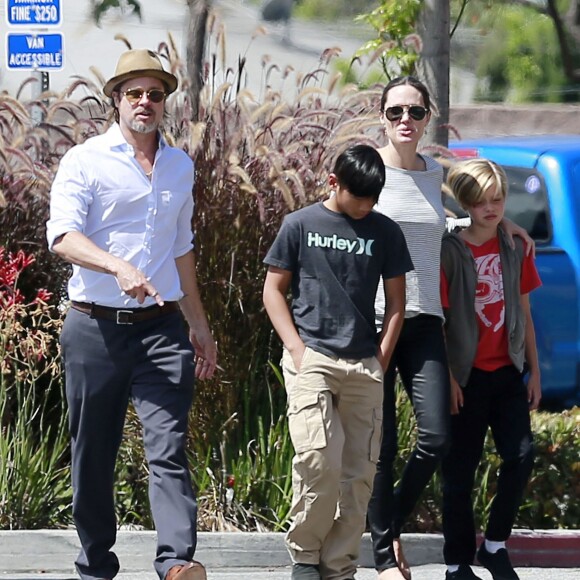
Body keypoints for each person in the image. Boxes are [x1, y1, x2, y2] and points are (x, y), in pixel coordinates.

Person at [46, 49, 217, 580]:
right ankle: (96, 562)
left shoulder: (180, 165)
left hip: (162, 330)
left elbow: (181, 247)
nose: (145, 102)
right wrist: (116, 265)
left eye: (156, 94)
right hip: (93, 326)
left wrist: (200, 324)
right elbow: (63, 236)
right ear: (115, 100)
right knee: (92, 456)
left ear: (166, 104)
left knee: (169, 447)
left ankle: (176, 563)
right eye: (134, 93)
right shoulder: (85, 160)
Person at [367, 76, 533, 580]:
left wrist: (503, 224)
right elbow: (335, 222)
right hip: (373, 319)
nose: (405, 122)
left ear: (428, 117)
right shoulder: (367, 168)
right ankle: (382, 556)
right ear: (382, 115)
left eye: (415, 113)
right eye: (396, 112)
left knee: (437, 438)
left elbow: (450, 224)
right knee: (384, 446)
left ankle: (389, 520)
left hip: (424, 319)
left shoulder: (432, 172)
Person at [262, 144, 413, 580]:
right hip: (313, 358)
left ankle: (339, 566)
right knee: (318, 461)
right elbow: (273, 290)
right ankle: (306, 557)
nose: (365, 207)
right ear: (334, 183)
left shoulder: (386, 232)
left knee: (359, 476)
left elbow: (398, 304)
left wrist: (380, 361)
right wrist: (296, 350)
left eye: (373, 200)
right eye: (358, 198)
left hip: (364, 364)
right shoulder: (300, 224)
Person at [440, 159, 541, 580]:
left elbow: (523, 309)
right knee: (460, 470)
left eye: (498, 199)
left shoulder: (515, 246)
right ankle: (457, 562)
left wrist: (533, 370)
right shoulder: (450, 249)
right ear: (466, 203)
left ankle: (495, 545)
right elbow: (440, 320)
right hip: (466, 374)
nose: (491, 208)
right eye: (481, 201)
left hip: (506, 372)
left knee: (521, 454)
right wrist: (447, 377)